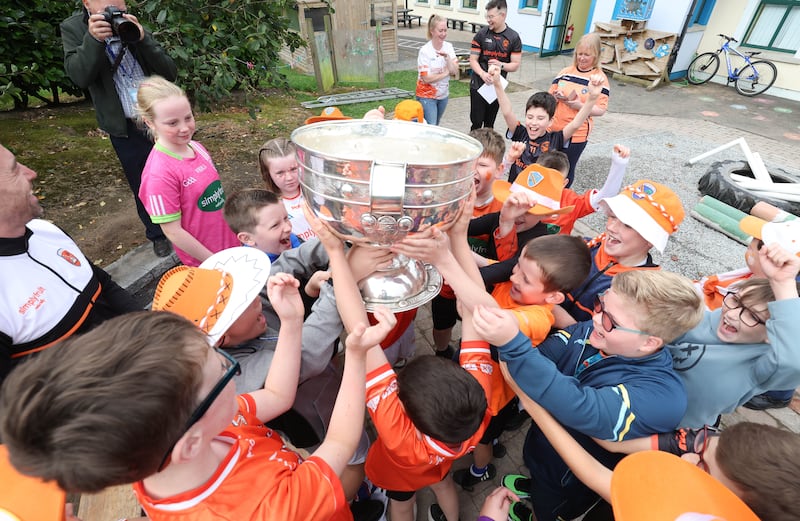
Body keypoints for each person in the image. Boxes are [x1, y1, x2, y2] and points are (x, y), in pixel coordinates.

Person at [0, 262, 395, 521]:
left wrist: (291, 323)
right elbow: (342, 439)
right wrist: (357, 356)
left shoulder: (170, 443)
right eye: (227, 370)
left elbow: (277, 394)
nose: (231, 367)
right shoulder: (271, 509)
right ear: (188, 441)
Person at [473, 269, 704, 521]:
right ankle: (534, 486)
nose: (595, 318)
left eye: (610, 321)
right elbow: (544, 360)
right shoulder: (596, 331)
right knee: (537, 472)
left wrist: (513, 344)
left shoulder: (662, 397)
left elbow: (580, 406)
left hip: (570, 481)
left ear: (649, 343)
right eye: (599, 304)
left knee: (548, 509)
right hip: (542, 448)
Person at [360, 195, 502, 521]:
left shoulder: (397, 436)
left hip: (397, 471)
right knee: (444, 486)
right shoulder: (475, 415)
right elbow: (476, 309)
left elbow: (359, 332)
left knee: (401, 504)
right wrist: (457, 237)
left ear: (404, 407)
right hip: (439, 466)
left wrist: (341, 260)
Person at [0, 143, 139, 382]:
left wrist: (162, 329)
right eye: (14, 169)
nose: (31, 173)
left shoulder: (46, 231)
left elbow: (103, 284)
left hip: (149, 368)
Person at [61, 0, 176, 257]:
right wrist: (93, 40)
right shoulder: (73, 28)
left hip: (160, 116)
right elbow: (79, 76)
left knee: (177, 172)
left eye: (118, 3)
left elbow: (169, 71)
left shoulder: (129, 19)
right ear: (87, 4)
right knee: (143, 182)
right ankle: (157, 233)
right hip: (124, 124)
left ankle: (187, 222)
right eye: (106, 5)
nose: (114, 8)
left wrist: (143, 38)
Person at [668, 216, 800, 428]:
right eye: (736, 301)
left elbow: (793, 361)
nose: (732, 314)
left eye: (754, 317)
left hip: (673, 434)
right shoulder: (706, 318)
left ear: (771, 335)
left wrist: (783, 282)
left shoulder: (757, 364)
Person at [136, 76, 239, 266]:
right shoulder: (158, 174)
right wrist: (217, 262)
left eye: (188, 117)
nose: (185, 128)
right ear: (150, 122)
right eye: (172, 123)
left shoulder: (197, 147)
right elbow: (172, 231)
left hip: (232, 246)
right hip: (209, 263)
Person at [559, 179, 685, 323]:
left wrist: (555, 315)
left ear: (651, 239)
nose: (611, 228)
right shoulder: (583, 247)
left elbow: (607, 337)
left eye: (627, 225)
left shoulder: (642, 291)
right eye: (612, 216)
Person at [494, 69, 605, 184]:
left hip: (539, 196)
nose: (534, 122)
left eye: (540, 118)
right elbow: (507, 112)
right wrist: (497, 83)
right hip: (515, 192)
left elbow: (576, 124)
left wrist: (593, 97)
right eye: (530, 117)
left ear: (550, 121)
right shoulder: (520, 133)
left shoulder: (555, 139)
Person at [548, 33, 610, 187]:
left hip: (577, 134)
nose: (582, 58)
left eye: (587, 55)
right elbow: (548, 96)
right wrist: (556, 97)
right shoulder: (565, 72)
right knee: (548, 165)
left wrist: (580, 106)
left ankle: (562, 198)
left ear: (596, 56)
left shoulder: (599, 78)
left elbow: (601, 109)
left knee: (566, 169)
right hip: (554, 129)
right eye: (579, 54)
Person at [537, 145, 630, 236]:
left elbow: (604, 197)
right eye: (543, 178)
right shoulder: (523, 193)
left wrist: (619, 164)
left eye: (555, 181)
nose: (548, 185)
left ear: (564, 183)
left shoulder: (570, 200)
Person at [468, 0, 522, 131]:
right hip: (478, 85)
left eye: (491, 17)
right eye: (487, 16)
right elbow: (473, 60)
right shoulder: (481, 34)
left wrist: (501, 65)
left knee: (489, 124)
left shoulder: (513, 37)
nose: (488, 20)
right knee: (476, 122)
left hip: (497, 88)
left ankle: (488, 151)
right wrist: (482, 74)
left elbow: (515, 65)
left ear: (502, 15)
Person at [257, 137, 317, 242]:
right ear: (267, 174)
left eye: (294, 169)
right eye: (280, 173)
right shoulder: (267, 207)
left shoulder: (317, 191)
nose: (289, 177)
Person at [223, 188, 301, 262]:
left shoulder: (291, 239)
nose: (288, 228)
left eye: (286, 218)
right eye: (275, 225)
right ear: (247, 238)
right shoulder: (255, 272)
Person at [416, 14, 459, 125]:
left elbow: (455, 71)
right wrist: (446, 73)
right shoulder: (425, 51)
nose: (443, 34)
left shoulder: (448, 47)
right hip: (426, 96)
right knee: (431, 126)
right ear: (432, 31)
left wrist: (447, 58)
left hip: (443, 95)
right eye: (440, 31)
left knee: (436, 125)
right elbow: (426, 78)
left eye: (445, 30)